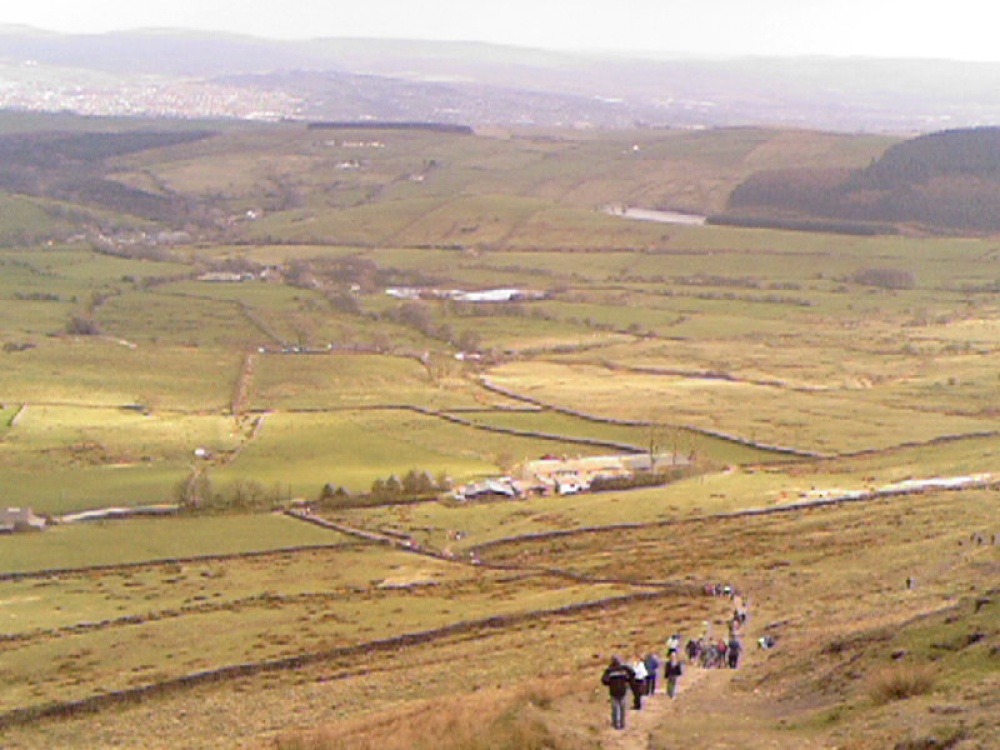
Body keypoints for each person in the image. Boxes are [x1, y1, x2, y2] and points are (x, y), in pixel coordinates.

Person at [601, 656, 635, 730]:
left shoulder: (609, 670)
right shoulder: (624, 668)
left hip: (613, 692)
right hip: (623, 691)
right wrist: (627, 680)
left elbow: (604, 681)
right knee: (622, 709)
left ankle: (616, 724)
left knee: (615, 709)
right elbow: (633, 673)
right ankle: (622, 724)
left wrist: (610, 683)